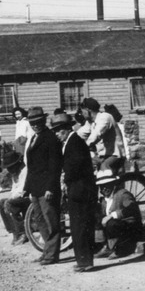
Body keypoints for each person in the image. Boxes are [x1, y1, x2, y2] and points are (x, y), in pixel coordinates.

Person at [3, 108, 60, 250]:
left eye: (38, 122)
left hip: (46, 186)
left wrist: (50, 187)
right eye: (32, 123)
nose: (35, 125)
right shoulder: (33, 138)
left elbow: (54, 166)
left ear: (44, 121)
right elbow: (31, 168)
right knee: (39, 220)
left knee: (49, 220)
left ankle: (53, 253)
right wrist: (27, 188)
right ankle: (47, 251)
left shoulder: (50, 138)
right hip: (34, 186)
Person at [50, 110, 100, 271]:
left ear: (66, 129)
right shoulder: (70, 143)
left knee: (82, 227)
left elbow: (75, 167)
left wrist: (65, 178)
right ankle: (83, 261)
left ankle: (86, 262)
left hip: (82, 191)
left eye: (58, 131)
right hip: (77, 190)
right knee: (78, 227)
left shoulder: (75, 142)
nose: (57, 134)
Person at [97, 158, 145, 259]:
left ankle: (122, 249)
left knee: (111, 223)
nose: (104, 188)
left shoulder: (122, 194)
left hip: (131, 227)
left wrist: (112, 215)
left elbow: (132, 209)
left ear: (113, 184)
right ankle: (108, 246)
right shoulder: (104, 199)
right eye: (102, 186)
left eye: (107, 185)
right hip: (118, 226)